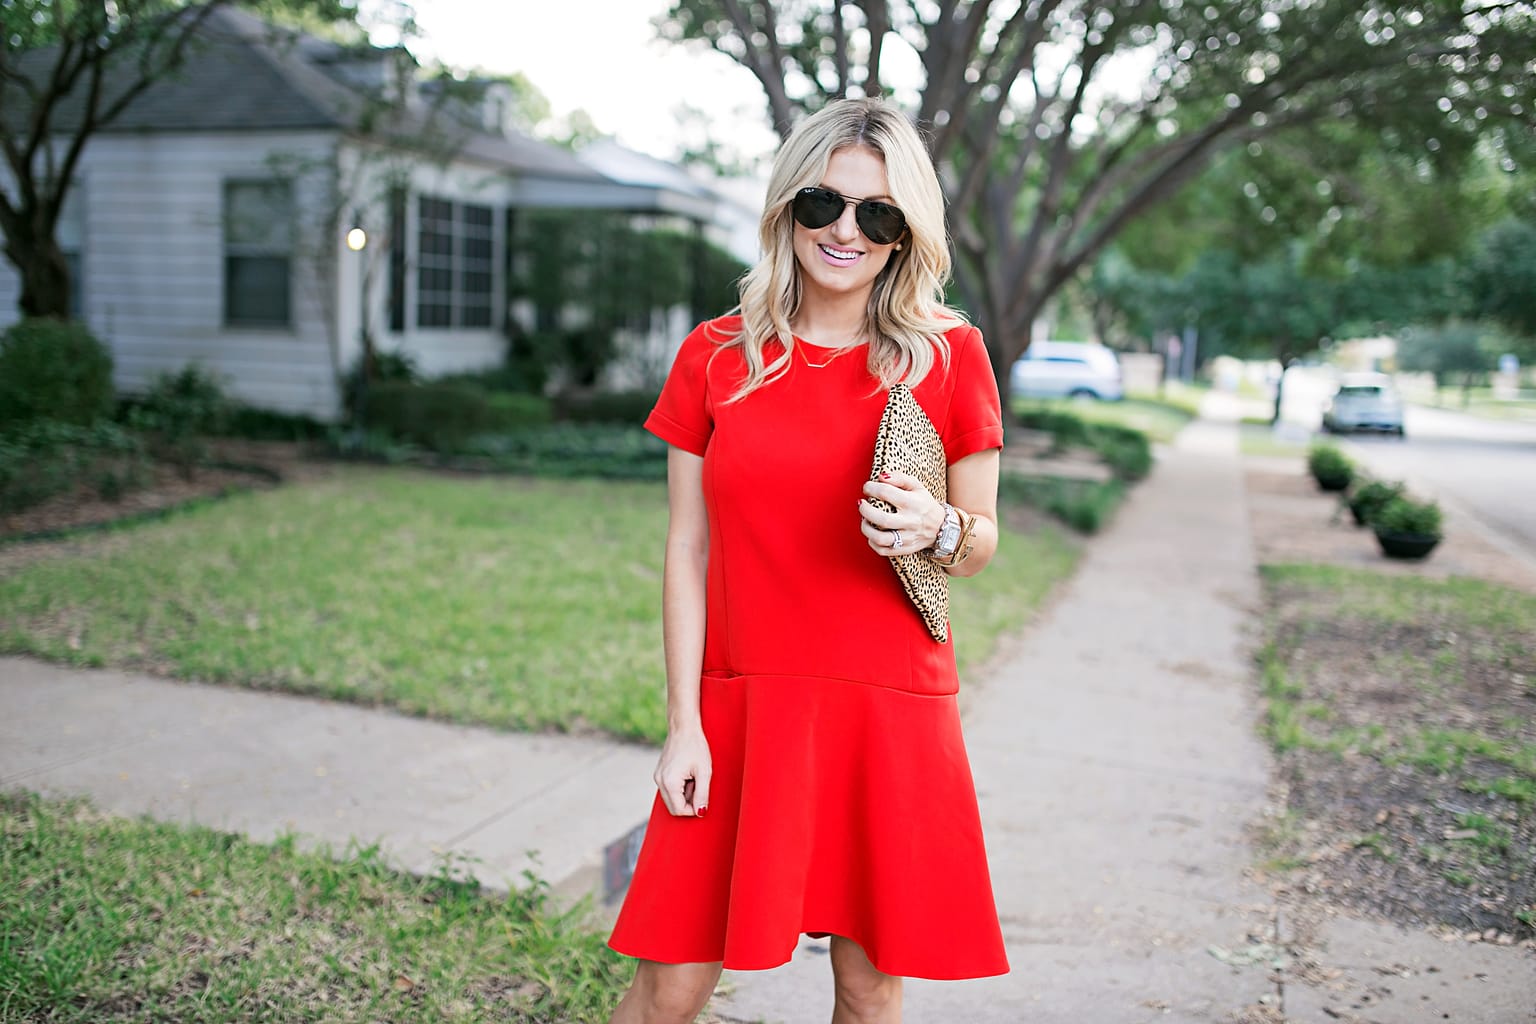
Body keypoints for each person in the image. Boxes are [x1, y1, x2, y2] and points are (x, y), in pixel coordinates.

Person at [607, 97, 1008, 1024]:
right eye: (824, 203)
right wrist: (684, 723)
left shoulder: (949, 355)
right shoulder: (716, 356)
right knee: (670, 981)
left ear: (905, 234)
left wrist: (937, 527)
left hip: (886, 708)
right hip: (742, 701)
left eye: (878, 215)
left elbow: (981, 541)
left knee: (869, 991)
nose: (845, 232)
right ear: (787, 204)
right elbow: (686, 545)